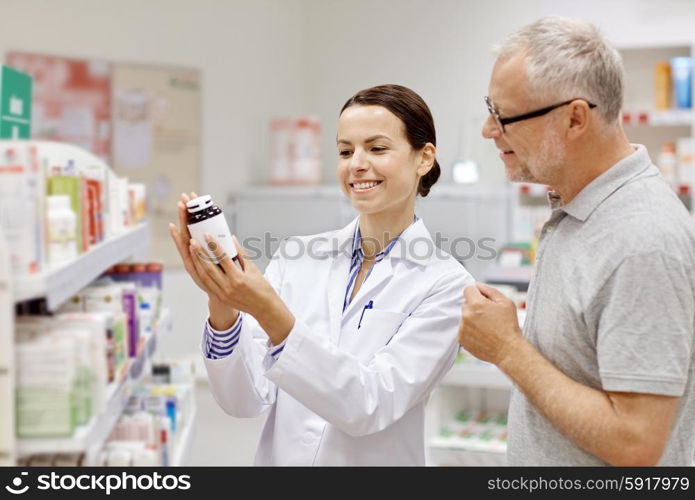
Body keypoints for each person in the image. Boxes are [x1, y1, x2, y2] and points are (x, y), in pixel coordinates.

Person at [170, 84, 474, 465]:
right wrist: (222, 301)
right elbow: (243, 400)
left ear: (424, 158)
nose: (356, 164)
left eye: (377, 148)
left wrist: (269, 312)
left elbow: (369, 405)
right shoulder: (298, 258)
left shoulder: (446, 285)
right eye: (345, 151)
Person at [458, 17, 695, 466]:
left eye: (504, 116)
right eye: (491, 108)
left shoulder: (641, 240)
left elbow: (636, 443)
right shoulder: (576, 208)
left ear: (574, 118)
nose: (490, 130)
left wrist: (507, 348)